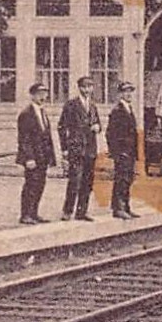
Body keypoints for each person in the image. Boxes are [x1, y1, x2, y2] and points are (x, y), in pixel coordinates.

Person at [57, 75, 101, 222]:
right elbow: (62, 127)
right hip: (76, 149)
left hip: (90, 149)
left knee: (87, 182)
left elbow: (98, 124)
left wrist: (97, 127)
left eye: (90, 86)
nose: (87, 89)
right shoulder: (71, 105)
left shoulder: (93, 106)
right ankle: (67, 211)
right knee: (74, 180)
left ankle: (82, 212)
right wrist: (64, 148)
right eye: (84, 87)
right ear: (79, 88)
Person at [15, 83, 56, 224]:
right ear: (32, 95)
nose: (42, 97)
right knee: (30, 185)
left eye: (44, 94)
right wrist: (28, 158)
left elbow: (47, 136)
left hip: (43, 157)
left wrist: (51, 157)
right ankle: (25, 214)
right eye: (39, 94)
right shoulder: (26, 114)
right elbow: (24, 139)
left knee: (40, 185)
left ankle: (34, 213)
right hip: (33, 158)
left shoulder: (43, 112)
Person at [107, 80, 141, 219]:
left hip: (130, 152)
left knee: (128, 179)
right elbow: (110, 134)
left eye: (130, 92)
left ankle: (126, 206)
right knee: (121, 179)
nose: (128, 94)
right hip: (122, 153)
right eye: (125, 92)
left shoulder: (129, 109)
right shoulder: (117, 111)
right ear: (120, 94)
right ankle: (117, 208)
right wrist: (116, 152)